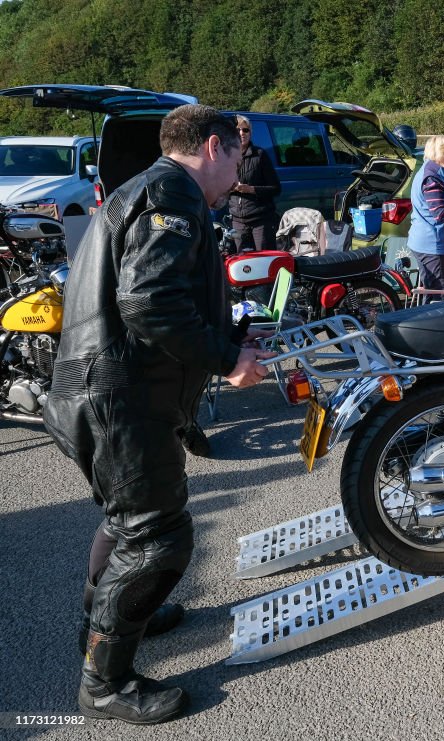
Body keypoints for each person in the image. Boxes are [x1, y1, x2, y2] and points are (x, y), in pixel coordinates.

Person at [42, 104, 275, 725]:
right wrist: (228, 359)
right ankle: (105, 684)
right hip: (119, 396)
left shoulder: (146, 188)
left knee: (128, 522)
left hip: (110, 391)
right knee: (157, 537)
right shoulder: (171, 195)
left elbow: (157, 297)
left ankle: (114, 621)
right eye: (236, 153)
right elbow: (150, 301)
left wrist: (226, 336)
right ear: (211, 147)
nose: (240, 171)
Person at [408, 136, 444, 296]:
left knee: (431, 291)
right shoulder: (432, 178)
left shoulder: (430, 171)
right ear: (436, 154)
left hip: (424, 242)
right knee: (441, 294)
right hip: (431, 245)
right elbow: (440, 213)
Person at [228, 114, 281, 251]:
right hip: (238, 221)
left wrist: (251, 189)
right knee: (241, 264)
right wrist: (230, 188)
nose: (242, 133)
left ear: (250, 133)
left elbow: (276, 188)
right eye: (238, 130)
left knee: (265, 262)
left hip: (261, 220)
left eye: (246, 130)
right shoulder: (226, 156)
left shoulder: (260, 155)